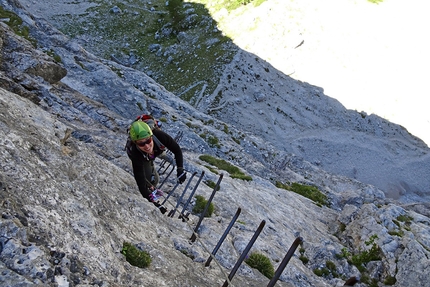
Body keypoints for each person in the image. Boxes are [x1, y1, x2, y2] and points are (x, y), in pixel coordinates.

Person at [127, 120, 186, 206]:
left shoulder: (159, 136)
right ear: (135, 143)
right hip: (144, 158)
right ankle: (151, 187)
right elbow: (140, 181)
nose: (146, 146)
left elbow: (176, 150)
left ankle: (151, 181)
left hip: (156, 151)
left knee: (153, 172)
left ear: (152, 136)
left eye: (148, 141)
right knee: (153, 179)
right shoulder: (135, 153)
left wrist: (180, 169)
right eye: (141, 143)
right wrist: (154, 203)